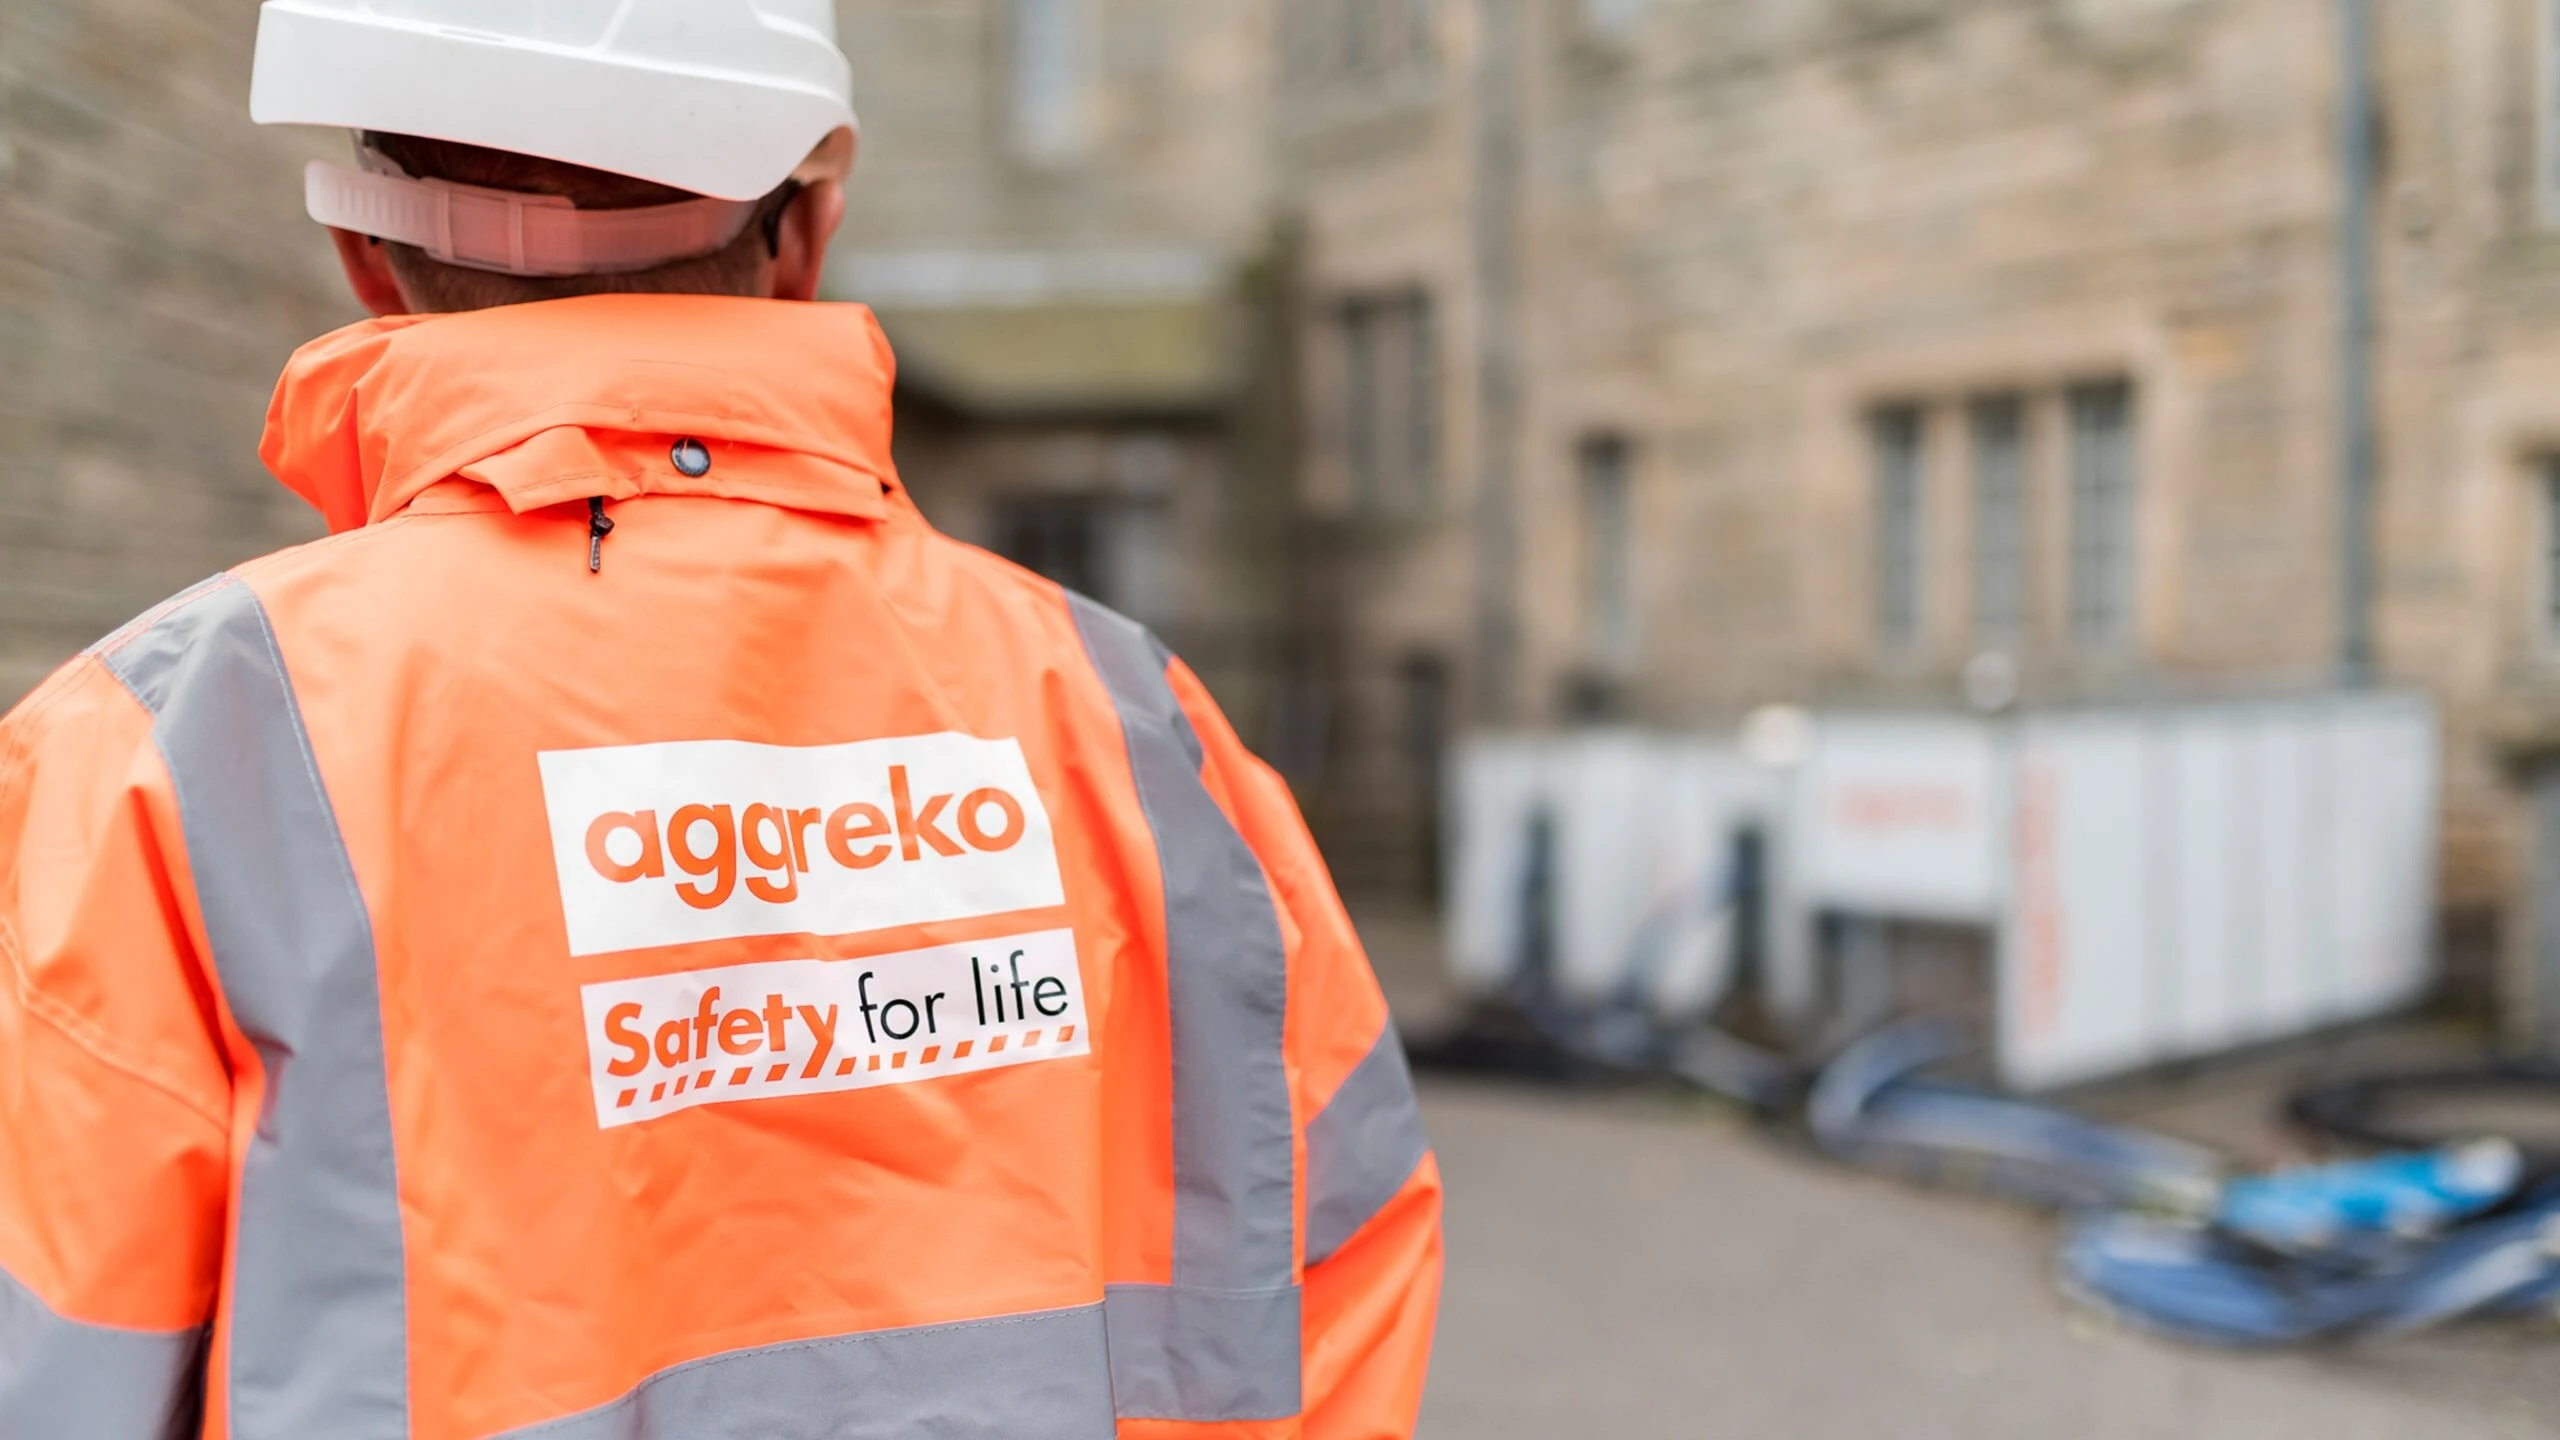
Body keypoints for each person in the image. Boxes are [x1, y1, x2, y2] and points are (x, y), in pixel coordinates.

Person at [0, 3, 1442, 1436]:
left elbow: (51, 1359)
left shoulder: (162, 760)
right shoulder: (1135, 725)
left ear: (367, 258)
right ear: (805, 236)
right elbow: (1346, 1254)